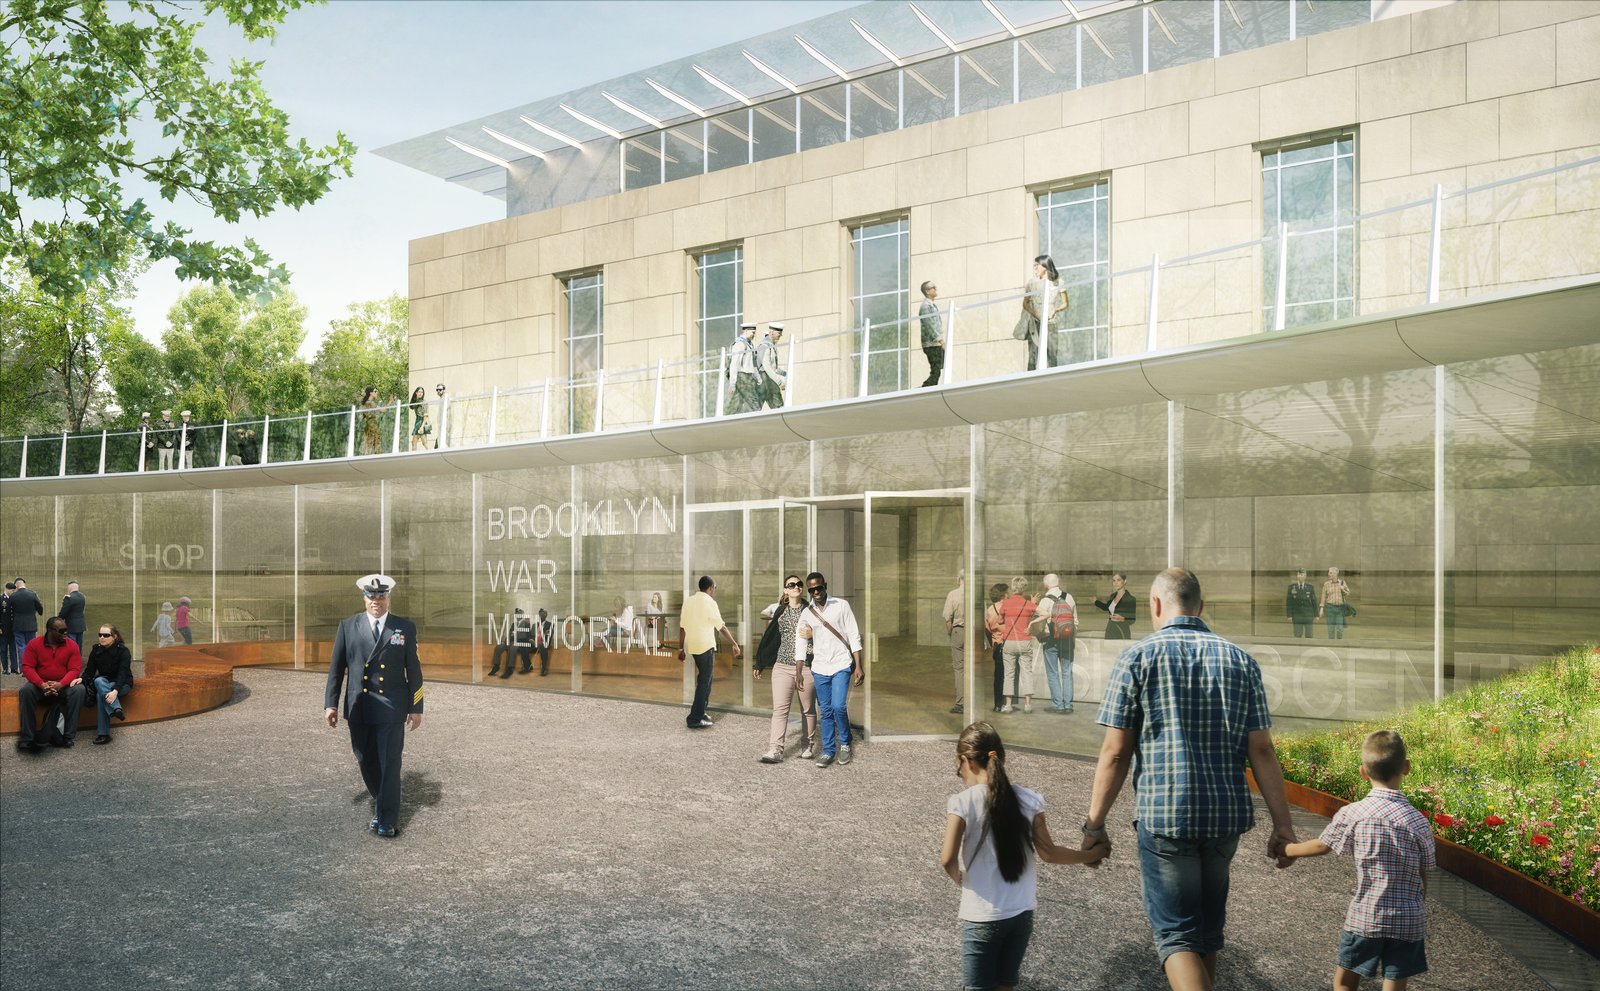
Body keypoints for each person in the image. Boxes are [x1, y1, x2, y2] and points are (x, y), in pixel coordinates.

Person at [1082, 567, 1297, 991]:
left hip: (1166, 817)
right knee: (1207, 933)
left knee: (1177, 936)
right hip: (1224, 819)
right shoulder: (1240, 660)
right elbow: (1263, 751)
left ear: (1155, 605)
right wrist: (1283, 824)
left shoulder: (1138, 656)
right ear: (1200, 606)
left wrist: (1094, 824)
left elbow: (1116, 752)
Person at [940, 722, 1106, 991]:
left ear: (966, 761)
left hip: (983, 916)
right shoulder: (1028, 799)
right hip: (1020, 913)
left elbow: (947, 858)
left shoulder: (963, 802)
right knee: (1006, 984)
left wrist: (958, 877)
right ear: (1001, 757)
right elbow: (1049, 853)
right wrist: (1091, 854)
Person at [1277, 730, 1436, 991]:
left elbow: (1322, 846)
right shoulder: (1419, 822)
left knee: (1345, 982)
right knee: (1395, 982)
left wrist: (1288, 849)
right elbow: (1423, 872)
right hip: (1409, 918)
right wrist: (1417, 907)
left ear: (1363, 772)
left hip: (1367, 916)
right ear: (1406, 768)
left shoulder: (1354, 813)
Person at [323, 574, 424, 839]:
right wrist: (330, 704)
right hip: (359, 706)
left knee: (390, 763)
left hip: (392, 707)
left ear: (388, 598)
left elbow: (414, 670)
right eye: (371, 596)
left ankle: (387, 819)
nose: (376, 601)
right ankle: (381, 803)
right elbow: (336, 670)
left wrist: (417, 706)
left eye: (381, 596)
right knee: (365, 759)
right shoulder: (348, 626)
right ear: (364, 598)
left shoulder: (404, 627)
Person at [796, 571, 862, 768]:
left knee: (838, 706)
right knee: (825, 710)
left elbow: (853, 634)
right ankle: (828, 750)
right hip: (820, 666)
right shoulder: (807, 613)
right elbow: (800, 641)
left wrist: (859, 665)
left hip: (841, 663)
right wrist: (799, 670)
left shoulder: (841, 605)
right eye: (812, 589)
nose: (816, 592)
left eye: (819, 587)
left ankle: (845, 742)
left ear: (825, 585)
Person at [753, 575, 817, 764]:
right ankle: (775, 749)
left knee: (808, 709)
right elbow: (771, 638)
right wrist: (760, 663)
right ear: (785, 590)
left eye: (799, 584)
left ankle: (808, 744)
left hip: (805, 667)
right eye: (792, 585)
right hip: (781, 667)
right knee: (780, 710)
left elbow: (824, 634)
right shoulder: (780, 611)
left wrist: (814, 633)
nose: (796, 587)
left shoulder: (811, 611)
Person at [677, 575, 741, 729]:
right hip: (705, 647)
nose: (715, 591)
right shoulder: (710, 602)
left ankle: (701, 711)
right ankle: (694, 718)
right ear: (711, 587)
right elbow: (721, 627)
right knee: (704, 683)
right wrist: (734, 644)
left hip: (693, 647)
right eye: (715, 588)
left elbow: (682, 627)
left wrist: (681, 648)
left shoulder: (689, 601)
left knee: (706, 681)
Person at [16, 616, 85, 752]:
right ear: (49, 631)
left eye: (66, 630)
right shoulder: (34, 644)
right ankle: (27, 738)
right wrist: (42, 684)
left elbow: (74, 669)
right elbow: (27, 667)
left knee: (79, 690)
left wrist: (61, 684)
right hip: (40, 686)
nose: (65, 633)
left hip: (63, 687)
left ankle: (68, 736)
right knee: (26, 691)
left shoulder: (72, 645)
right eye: (61, 630)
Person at [76, 623, 133, 745]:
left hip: (122, 684)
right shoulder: (96, 650)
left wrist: (115, 691)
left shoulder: (123, 651)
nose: (102, 637)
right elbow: (90, 671)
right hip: (105, 682)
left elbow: (123, 673)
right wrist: (81, 679)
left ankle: (104, 734)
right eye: (100, 635)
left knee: (100, 694)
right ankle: (116, 709)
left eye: (106, 635)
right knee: (98, 680)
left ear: (115, 637)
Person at [1031, 574, 1076, 713]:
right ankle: (1068, 705)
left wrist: (1041, 637)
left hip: (1050, 640)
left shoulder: (1045, 601)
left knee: (1052, 673)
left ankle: (1057, 704)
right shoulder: (1069, 597)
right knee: (1067, 671)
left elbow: (1040, 624)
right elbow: (1075, 621)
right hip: (1067, 639)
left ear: (1046, 585)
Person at [994, 577, 1035, 714]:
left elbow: (1000, 621)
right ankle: (1028, 704)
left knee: (1009, 674)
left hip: (1010, 641)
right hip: (1024, 641)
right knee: (1027, 672)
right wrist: (1030, 624)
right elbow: (1044, 614)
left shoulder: (1006, 603)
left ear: (1013, 588)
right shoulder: (1028, 604)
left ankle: (1008, 705)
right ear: (1024, 589)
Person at [1021, 255, 1067, 371]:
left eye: (1037, 265)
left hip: (1051, 323)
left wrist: (1055, 311)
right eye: (1034, 265)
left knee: (1051, 355)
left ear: (1045, 266)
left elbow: (1065, 303)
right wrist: (1036, 315)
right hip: (1035, 323)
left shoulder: (1058, 282)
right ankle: (1030, 382)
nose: (1035, 267)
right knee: (1033, 356)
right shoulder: (1032, 283)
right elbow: (1025, 304)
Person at [942, 568, 965, 714]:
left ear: (959, 579)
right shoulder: (975, 593)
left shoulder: (953, 594)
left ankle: (961, 703)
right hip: (973, 631)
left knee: (959, 669)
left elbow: (947, 618)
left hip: (958, 630)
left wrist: (951, 633)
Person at [725, 323, 762, 415]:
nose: (754, 334)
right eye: (753, 332)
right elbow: (734, 364)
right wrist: (732, 383)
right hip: (743, 377)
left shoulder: (749, 345)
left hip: (747, 377)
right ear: (746, 331)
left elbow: (753, 364)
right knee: (755, 404)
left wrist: (758, 377)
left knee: (735, 405)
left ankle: (724, 422)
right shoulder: (740, 344)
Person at [983, 582, 1008, 713]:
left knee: (998, 675)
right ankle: (1009, 702)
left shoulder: (990, 610)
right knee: (1010, 674)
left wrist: (992, 641)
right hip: (1009, 642)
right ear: (1003, 595)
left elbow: (987, 629)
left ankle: (998, 704)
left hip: (997, 644)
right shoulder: (1008, 607)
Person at [10, 577, 44, 667]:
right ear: (24, 583)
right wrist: (39, 611)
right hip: (31, 625)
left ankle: (23, 668)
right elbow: (40, 608)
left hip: (18, 625)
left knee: (21, 647)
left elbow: (10, 611)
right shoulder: (32, 594)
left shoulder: (13, 596)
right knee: (32, 647)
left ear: (16, 585)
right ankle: (32, 666)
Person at [488, 607, 531, 679]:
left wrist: (516, 635)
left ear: (522, 615)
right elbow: (509, 634)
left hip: (518, 642)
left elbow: (526, 636)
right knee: (499, 647)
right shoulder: (514, 624)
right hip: (510, 641)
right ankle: (496, 665)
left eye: (519, 614)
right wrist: (505, 640)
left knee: (512, 648)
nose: (518, 616)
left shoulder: (526, 624)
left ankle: (509, 669)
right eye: (517, 614)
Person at [1093, 572, 1137, 640]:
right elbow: (1107, 607)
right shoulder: (1112, 596)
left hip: (1121, 632)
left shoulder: (1131, 599)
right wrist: (1095, 601)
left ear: (1124, 581)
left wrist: (1122, 619)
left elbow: (1132, 619)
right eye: (1114, 580)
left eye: (1118, 580)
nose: (1116, 583)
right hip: (1110, 630)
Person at [919, 280, 944, 387]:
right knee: (936, 369)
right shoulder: (925, 306)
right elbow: (930, 325)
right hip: (931, 344)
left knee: (937, 368)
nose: (936, 288)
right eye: (934, 287)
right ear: (927, 291)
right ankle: (926, 388)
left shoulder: (931, 305)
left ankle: (929, 388)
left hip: (935, 343)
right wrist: (940, 339)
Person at [757, 323, 788, 409]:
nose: (781, 335)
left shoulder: (771, 347)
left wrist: (785, 373)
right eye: (779, 333)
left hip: (767, 380)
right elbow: (767, 367)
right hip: (765, 381)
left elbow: (773, 368)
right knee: (779, 409)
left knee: (778, 409)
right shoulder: (764, 346)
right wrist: (779, 382)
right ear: (772, 332)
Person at [1320, 567, 1352, 640]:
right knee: (1331, 629)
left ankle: (1339, 644)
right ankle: (1331, 645)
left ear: (1336, 573)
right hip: (1330, 608)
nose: (1329, 574)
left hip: (1340, 609)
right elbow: (1323, 596)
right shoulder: (1326, 584)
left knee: (1340, 628)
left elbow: (1348, 593)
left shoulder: (1342, 582)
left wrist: (1343, 589)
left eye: (1331, 573)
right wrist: (1321, 608)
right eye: (1329, 572)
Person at [1286, 568, 1317, 638]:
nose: (1301, 576)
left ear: (1305, 576)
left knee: (1309, 635)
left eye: (1302, 575)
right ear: (1297, 576)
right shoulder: (1291, 587)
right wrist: (1289, 615)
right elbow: (1289, 602)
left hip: (1308, 615)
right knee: (1297, 634)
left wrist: (1316, 615)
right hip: (1297, 615)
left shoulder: (1310, 587)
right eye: (1299, 574)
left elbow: (1314, 601)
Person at [59, 580, 86, 649]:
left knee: (72, 645)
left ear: (70, 588)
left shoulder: (68, 598)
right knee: (79, 645)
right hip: (81, 625)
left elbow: (64, 612)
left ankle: (72, 659)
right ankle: (78, 658)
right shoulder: (82, 597)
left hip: (71, 626)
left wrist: (58, 619)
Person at [358, 386, 382, 455]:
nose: (376, 393)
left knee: (369, 441)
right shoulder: (370, 403)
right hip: (372, 423)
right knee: (376, 439)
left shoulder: (366, 403)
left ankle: (369, 455)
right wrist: (390, 402)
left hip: (368, 424)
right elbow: (383, 410)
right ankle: (377, 454)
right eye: (375, 391)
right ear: (371, 393)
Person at [408, 386, 432, 452]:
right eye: (419, 392)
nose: (421, 393)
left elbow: (426, 416)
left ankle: (431, 454)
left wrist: (421, 427)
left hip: (422, 421)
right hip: (418, 421)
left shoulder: (424, 402)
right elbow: (411, 406)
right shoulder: (417, 401)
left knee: (422, 442)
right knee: (419, 442)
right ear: (416, 393)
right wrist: (415, 399)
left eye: (422, 392)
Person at [0, 582, 17, 675]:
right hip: (3, 629)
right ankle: (5, 668)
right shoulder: (1, 599)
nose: (13, 592)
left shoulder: (14, 599)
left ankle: (14, 668)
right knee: (3, 649)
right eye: (12, 590)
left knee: (13, 649)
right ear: (7, 589)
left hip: (13, 628)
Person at [531, 608, 554, 675]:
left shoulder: (550, 625)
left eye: (544, 613)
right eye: (541, 613)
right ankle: (526, 666)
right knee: (524, 647)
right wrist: (532, 640)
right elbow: (531, 636)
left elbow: (549, 636)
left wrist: (543, 636)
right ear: (539, 615)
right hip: (534, 643)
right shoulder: (534, 625)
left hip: (543, 643)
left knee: (543, 646)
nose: (542, 615)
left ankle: (543, 669)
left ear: (546, 615)